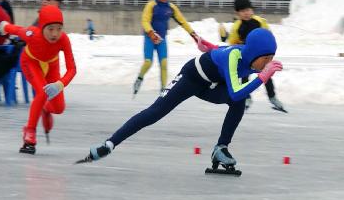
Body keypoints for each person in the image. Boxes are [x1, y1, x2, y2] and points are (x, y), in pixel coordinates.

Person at [79, 28, 283, 173]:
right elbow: (236, 89)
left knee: (237, 103)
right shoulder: (235, 57)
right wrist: (262, 77)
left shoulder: (250, 58)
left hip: (210, 85)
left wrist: (211, 48)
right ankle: (109, 144)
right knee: (155, 112)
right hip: (191, 77)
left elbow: (224, 52)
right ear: (253, 53)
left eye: (271, 58)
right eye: (265, 58)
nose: (267, 63)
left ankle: (221, 148)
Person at [0, 4, 77, 154]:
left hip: (51, 65)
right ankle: (30, 134)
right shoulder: (33, 34)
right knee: (42, 93)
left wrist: (59, 85)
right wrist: (5, 26)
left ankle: (45, 108)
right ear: (42, 27)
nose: (55, 34)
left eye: (59, 29)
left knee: (59, 108)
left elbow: (72, 69)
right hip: (31, 62)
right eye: (51, 29)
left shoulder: (63, 40)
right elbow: (18, 30)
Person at [133, 0, 200, 96]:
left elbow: (182, 21)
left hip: (161, 40)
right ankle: (139, 78)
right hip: (150, 38)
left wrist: (193, 34)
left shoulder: (171, 7)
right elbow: (145, 20)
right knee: (148, 62)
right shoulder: (151, 5)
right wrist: (151, 33)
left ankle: (163, 89)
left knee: (164, 64)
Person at [227, 0, 287, 112]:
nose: (247, 13)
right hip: (246, 58)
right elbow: (232, 43)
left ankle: (272, 97)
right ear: (238, 13)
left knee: (267, 76)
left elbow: (268, 35)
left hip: (261, 56)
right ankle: (247, 97)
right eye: (243, 11)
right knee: (244, 77)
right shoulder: (237, 27)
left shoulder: (259, 21)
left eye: (248, 10)